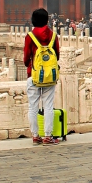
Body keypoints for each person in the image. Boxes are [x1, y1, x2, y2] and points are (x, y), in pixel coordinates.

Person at [24, 8, 61, 145]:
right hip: (49, 76)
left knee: (33, 106)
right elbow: (57, 55)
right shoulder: (53, 36)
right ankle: (48, 136)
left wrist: (31, 66)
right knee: (48, 106)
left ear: (33, 20)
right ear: (47, 20)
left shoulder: (30, 36)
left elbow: (26, 57)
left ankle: (35, 136)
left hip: (33, 74)